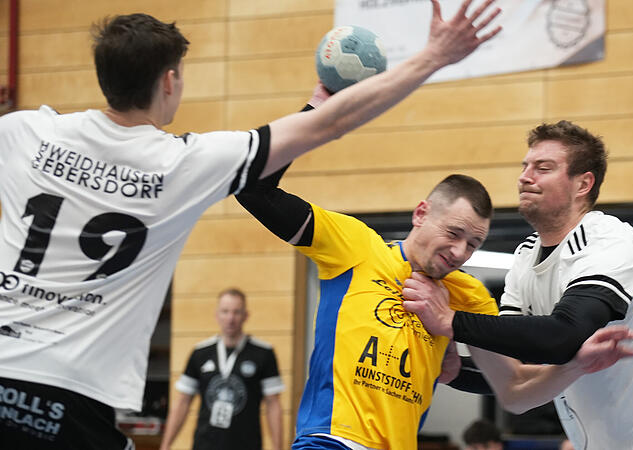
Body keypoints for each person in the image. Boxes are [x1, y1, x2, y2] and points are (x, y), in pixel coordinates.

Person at [0, 2, 504, 448]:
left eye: (472, 242)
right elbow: (322, 128)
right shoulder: (182, 162)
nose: (461, 251)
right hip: (73, 393)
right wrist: (433, 56)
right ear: (170, 82)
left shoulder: (22, 131)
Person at [235, 172, 633, 449]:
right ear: (421, 213)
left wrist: (574, 365)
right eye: (453, 233)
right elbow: (253, 190)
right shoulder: (357, 248)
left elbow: (508, 382)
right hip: (331, 439)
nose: (460, 252)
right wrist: (319, 110)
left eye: (473, 243)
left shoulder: (469, 295)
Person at [403, 120, 633, 449]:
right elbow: (515, 371)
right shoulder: (525, 258)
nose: (525, 177)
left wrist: (450, 321)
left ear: (582, 184)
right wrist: (451, 371)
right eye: (525, 166)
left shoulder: (610, 242)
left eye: (543, 167)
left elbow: (563, 337)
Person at [159, 288, 284, 450]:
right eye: (225, 312)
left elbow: (273, 404)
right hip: (205, 443)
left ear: (246, 316)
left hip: (247, 444)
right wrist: (166, 444)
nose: (230, 318)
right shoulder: (200, 353)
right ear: (217, 315)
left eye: (236, 312)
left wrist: (278, 446)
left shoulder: (263, 353)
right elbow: (182, 401)